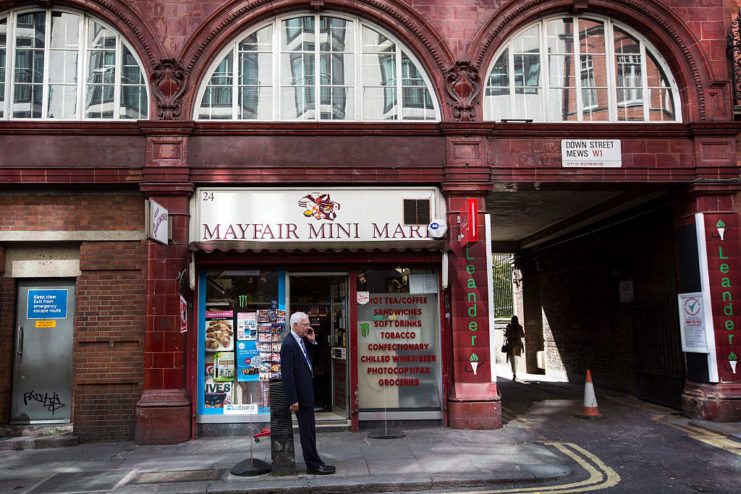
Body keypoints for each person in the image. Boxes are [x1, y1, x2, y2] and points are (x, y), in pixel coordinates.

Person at [280, 312, 336, 475]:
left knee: (310, 429)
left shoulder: (301, 341)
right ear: (295, 325)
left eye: (308, 324)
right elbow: (287, 374)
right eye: (305, 325)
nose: (308, 327)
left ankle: (315, 461)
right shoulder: (289, 344)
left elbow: (310, 360)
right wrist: (292, 399)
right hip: (300, 396)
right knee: (307, 431)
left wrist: (312, 341)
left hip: (306, 392)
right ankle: (312, 465)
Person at [504, 315, 525, 380]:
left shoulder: (509, 327)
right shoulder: (519, 327)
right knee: (516, 359)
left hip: (511, 345)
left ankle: (514, 374)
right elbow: (523, 335)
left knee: (512, 360)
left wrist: (505, 331)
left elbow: (505, 335)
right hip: (518, 345)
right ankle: (515, 372)